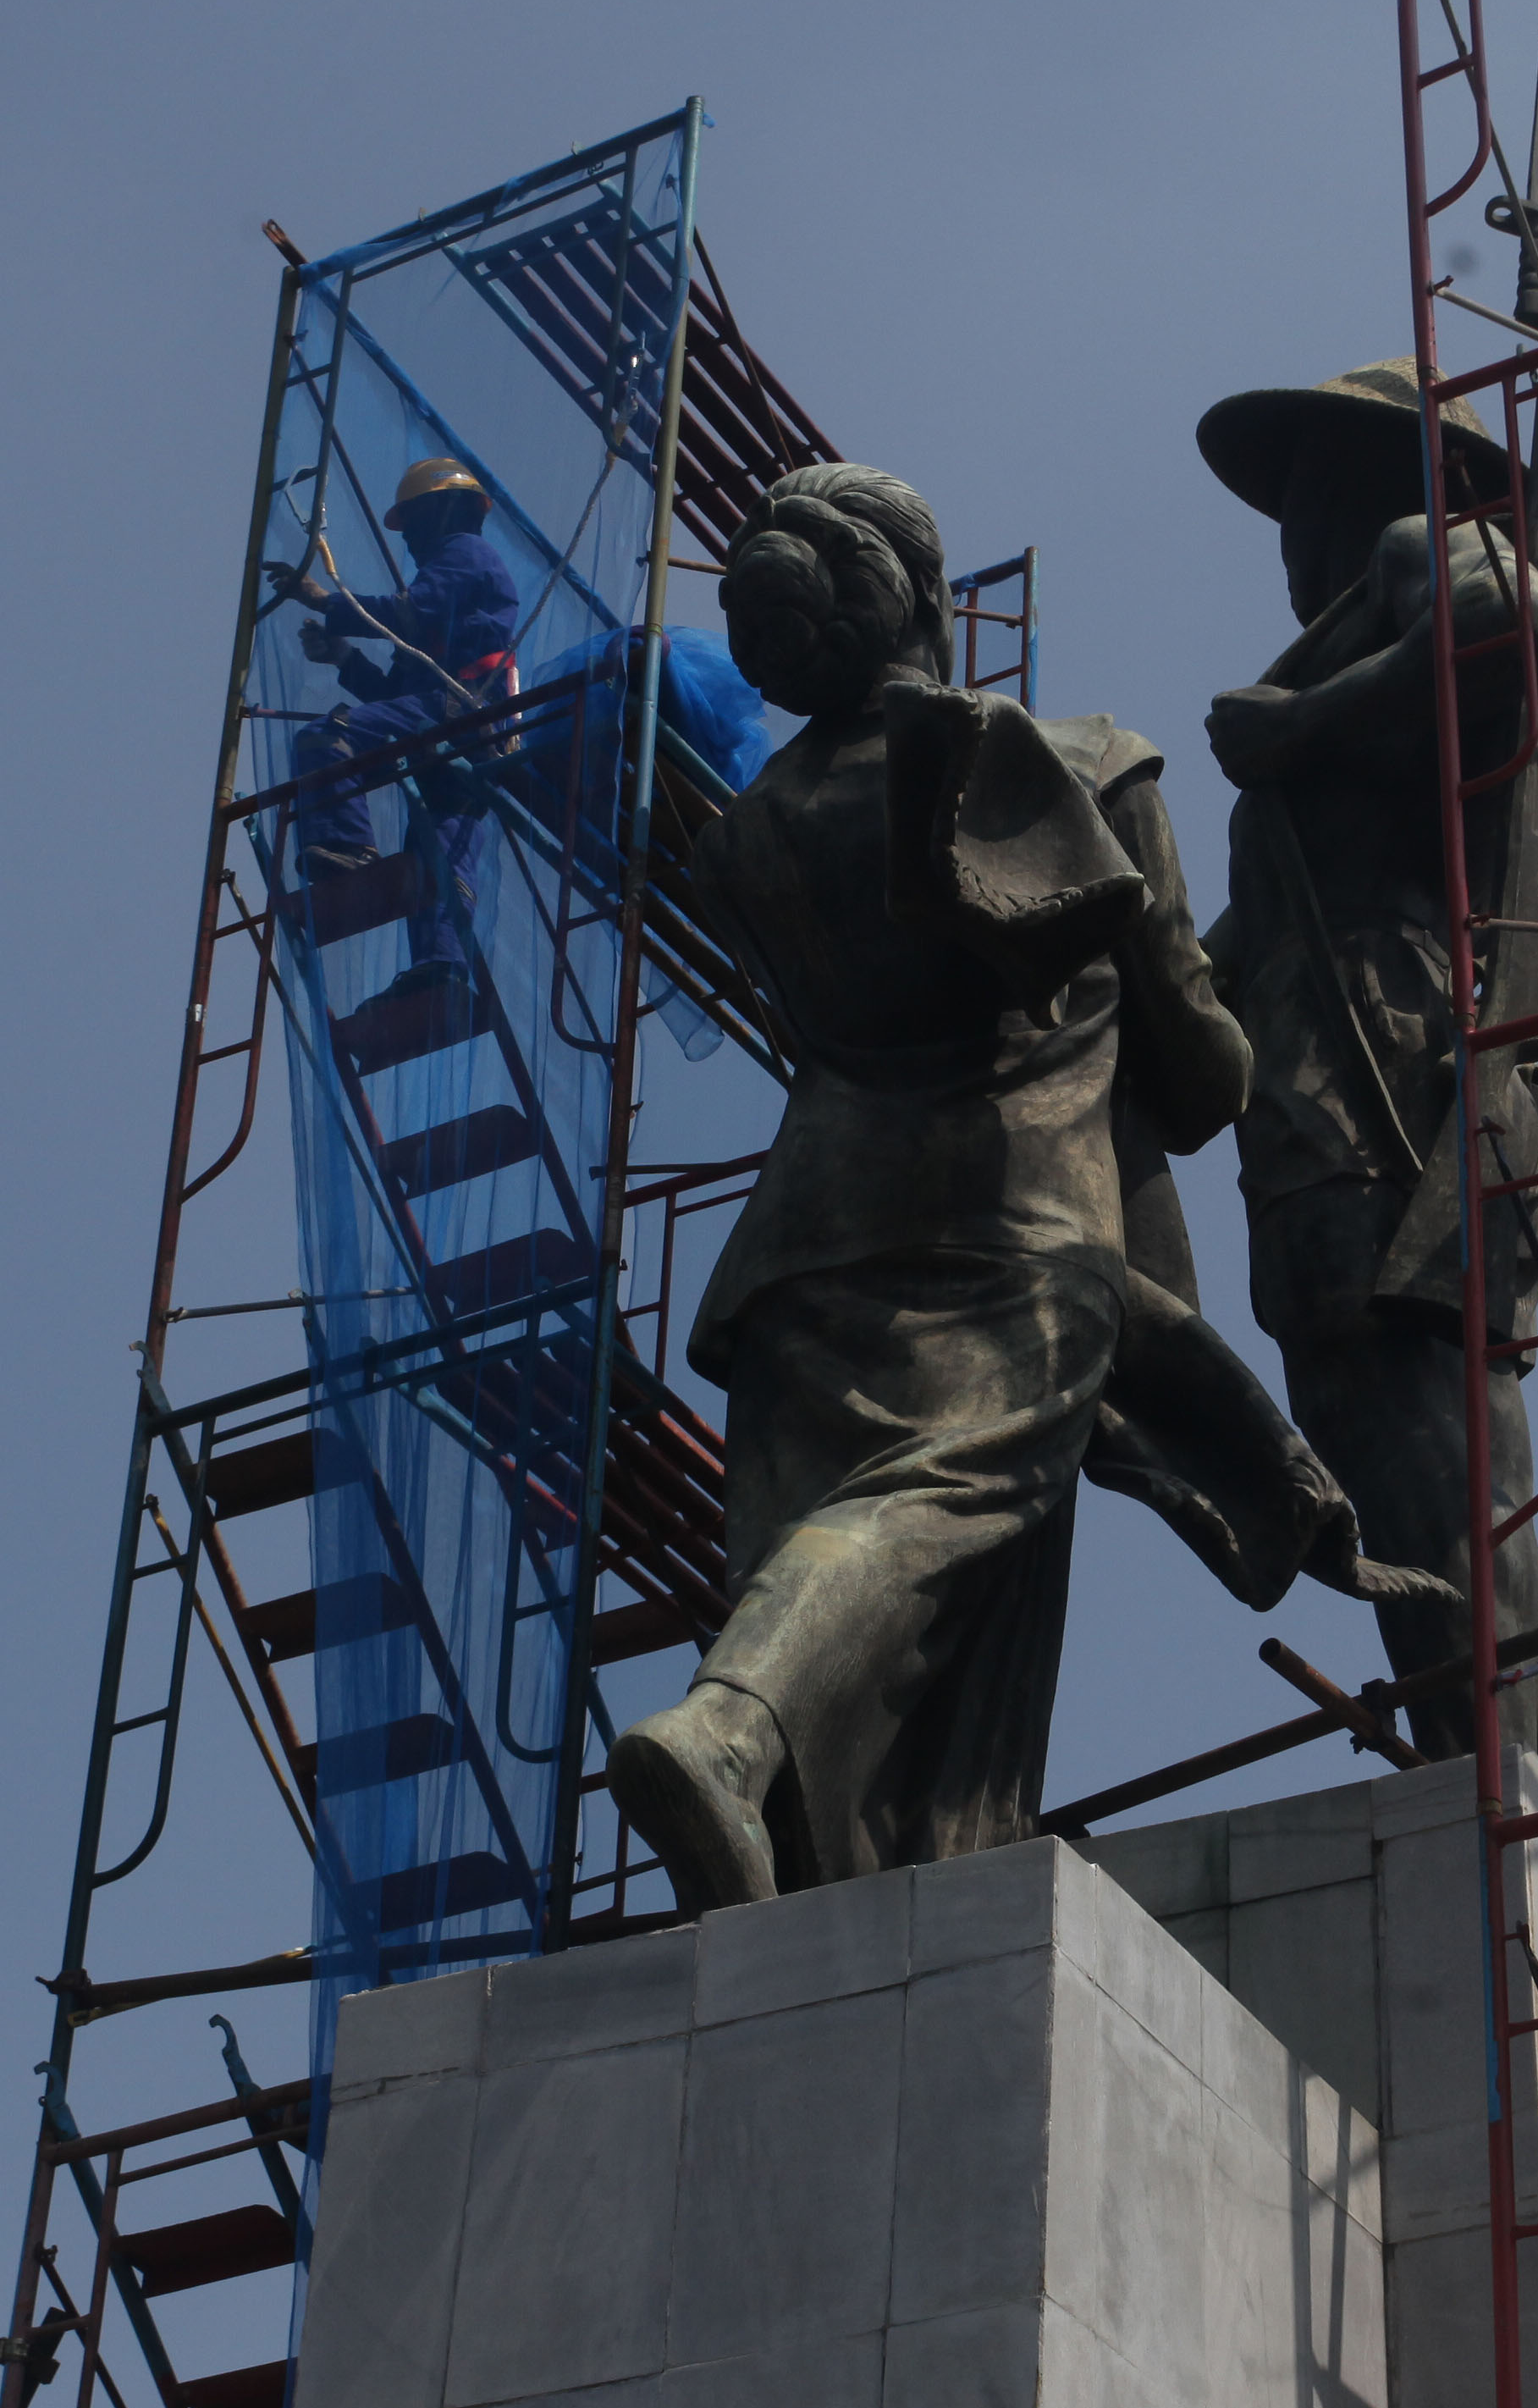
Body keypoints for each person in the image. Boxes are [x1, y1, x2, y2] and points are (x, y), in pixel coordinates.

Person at [607, 462, 1437, 1908]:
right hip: (1008, 1234)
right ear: (924, 597)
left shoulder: (742, 841)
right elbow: (1201, 1082)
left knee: (895, 1611)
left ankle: (801, 1870)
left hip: (803, 1254)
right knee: (937, 1510)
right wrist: (1196, 977)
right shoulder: (1090, 767)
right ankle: (728, 1732)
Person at [1195, 359, 1538, 1798]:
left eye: (1295, 494)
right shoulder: (1337, 650)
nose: (1283, 534)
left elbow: (1517, 621)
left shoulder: (1421, 551)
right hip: (1320, 1098)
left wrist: (1296, 728)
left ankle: (1527, 1808)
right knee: (1408, 1493)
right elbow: (1241, 943)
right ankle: (1502, 1791)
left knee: (1444, 1501)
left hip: (1392, 1088)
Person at [269, 456, 521, 984]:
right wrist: (344, 659)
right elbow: (395, 700)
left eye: (414, 524)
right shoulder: (446, 607)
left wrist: (326, 601)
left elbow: (406, 612)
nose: (408, 541)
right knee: (438, 855)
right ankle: (440, 972)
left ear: (445, 511)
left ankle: (346, 846)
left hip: (459, 717)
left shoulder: (466, 555)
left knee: (327, 738)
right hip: (458, 730)